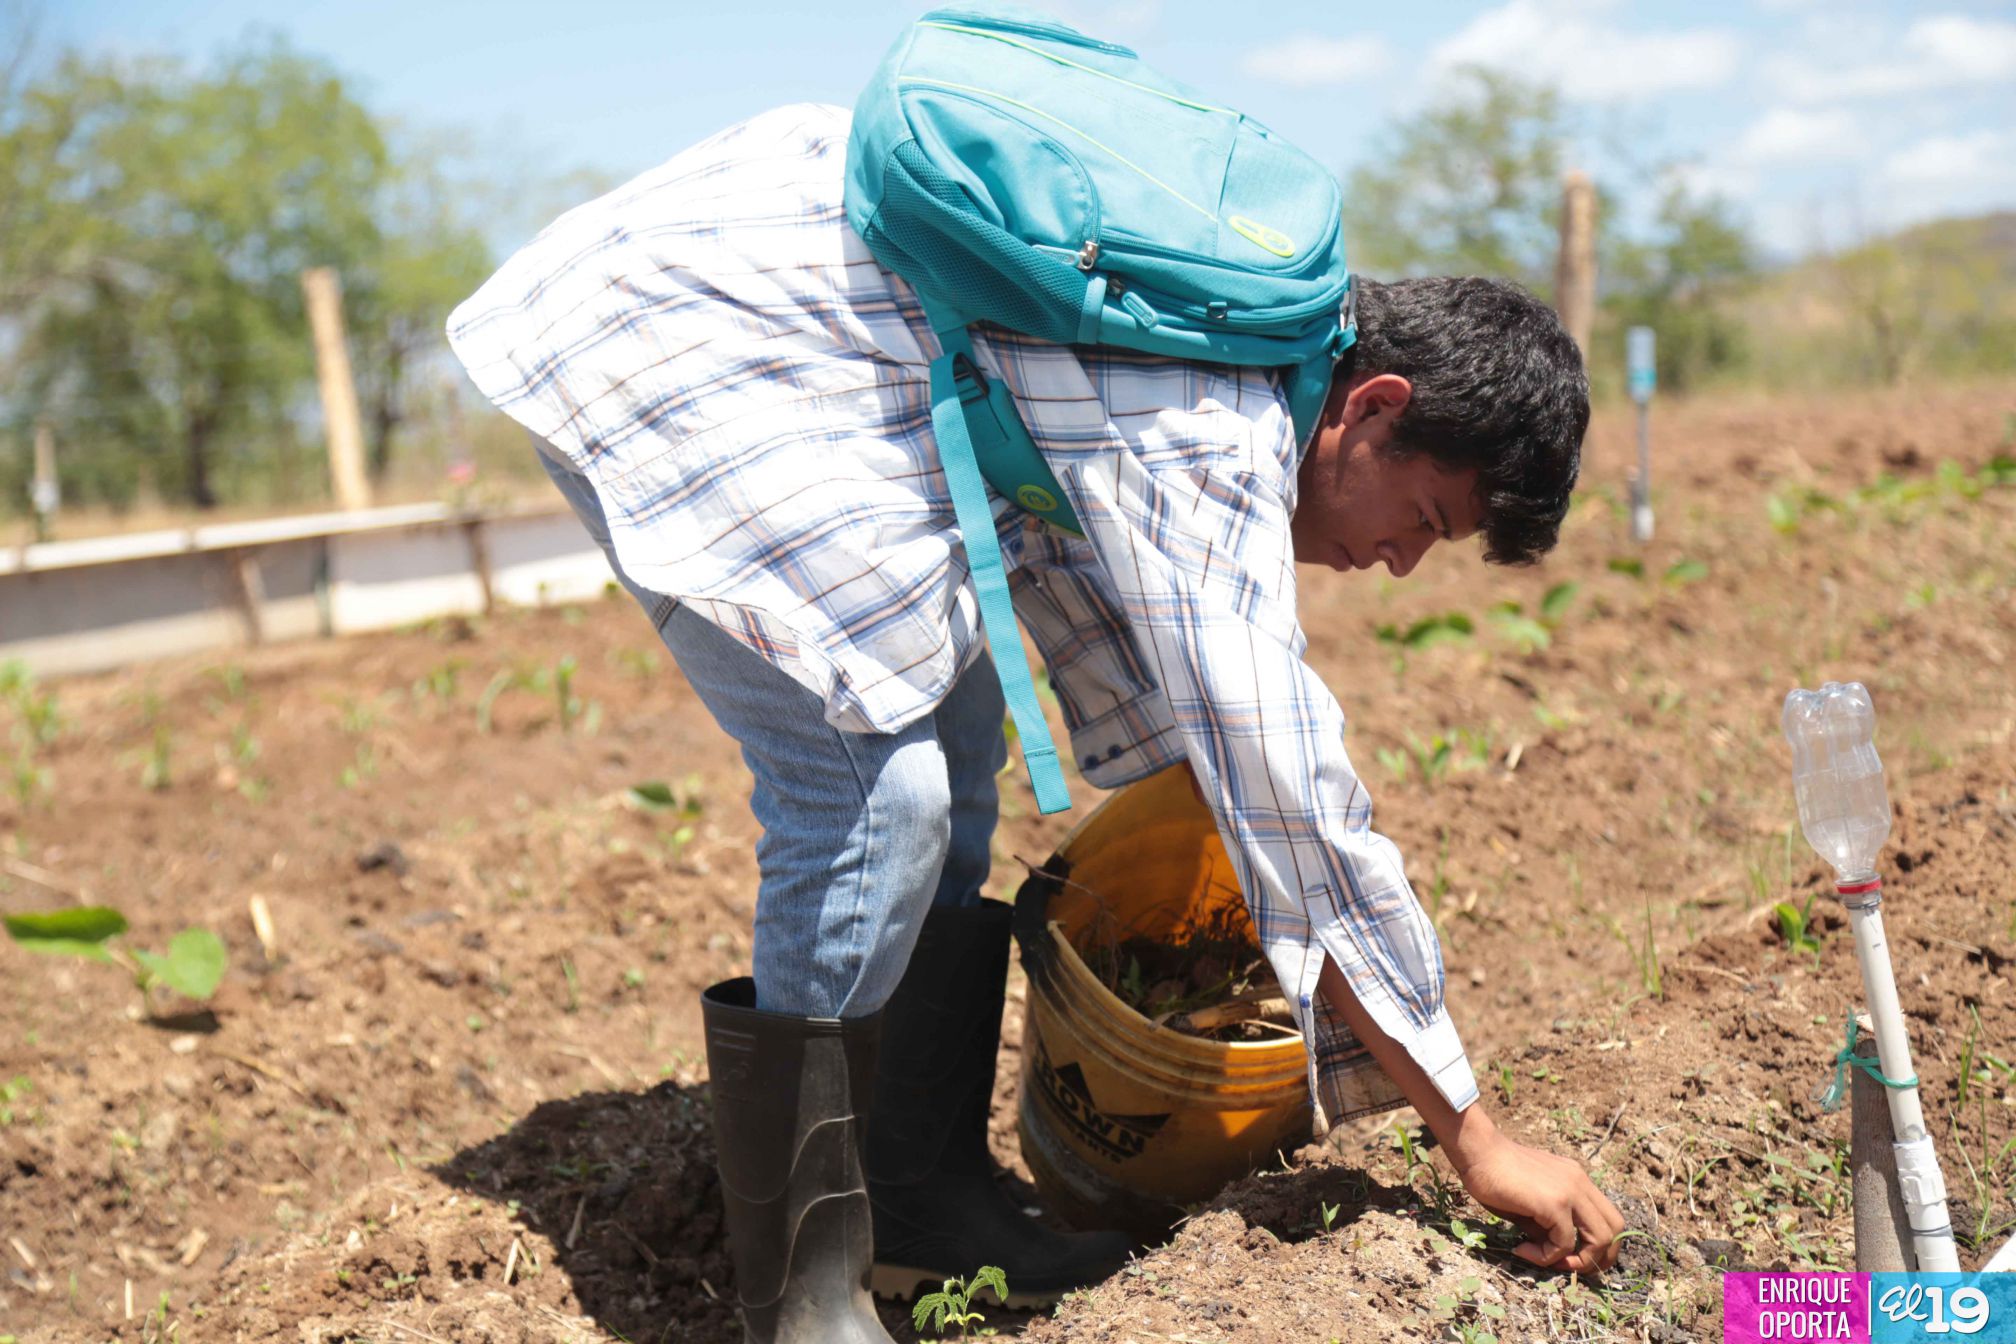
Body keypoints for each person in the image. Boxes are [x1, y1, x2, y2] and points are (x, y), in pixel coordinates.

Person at [449, 102, 1623, 1344]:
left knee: (954, 745)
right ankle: (801, 1299)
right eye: (1425, 520)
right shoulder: (1212, 425)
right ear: (1373, 408)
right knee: (873, 799)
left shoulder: (1248, 355)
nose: (1399, 563)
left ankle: (916, 1203)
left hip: (823, 348)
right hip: (683, 327)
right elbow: (1290, 790)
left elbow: (1126, 629)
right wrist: (1474, 1137)